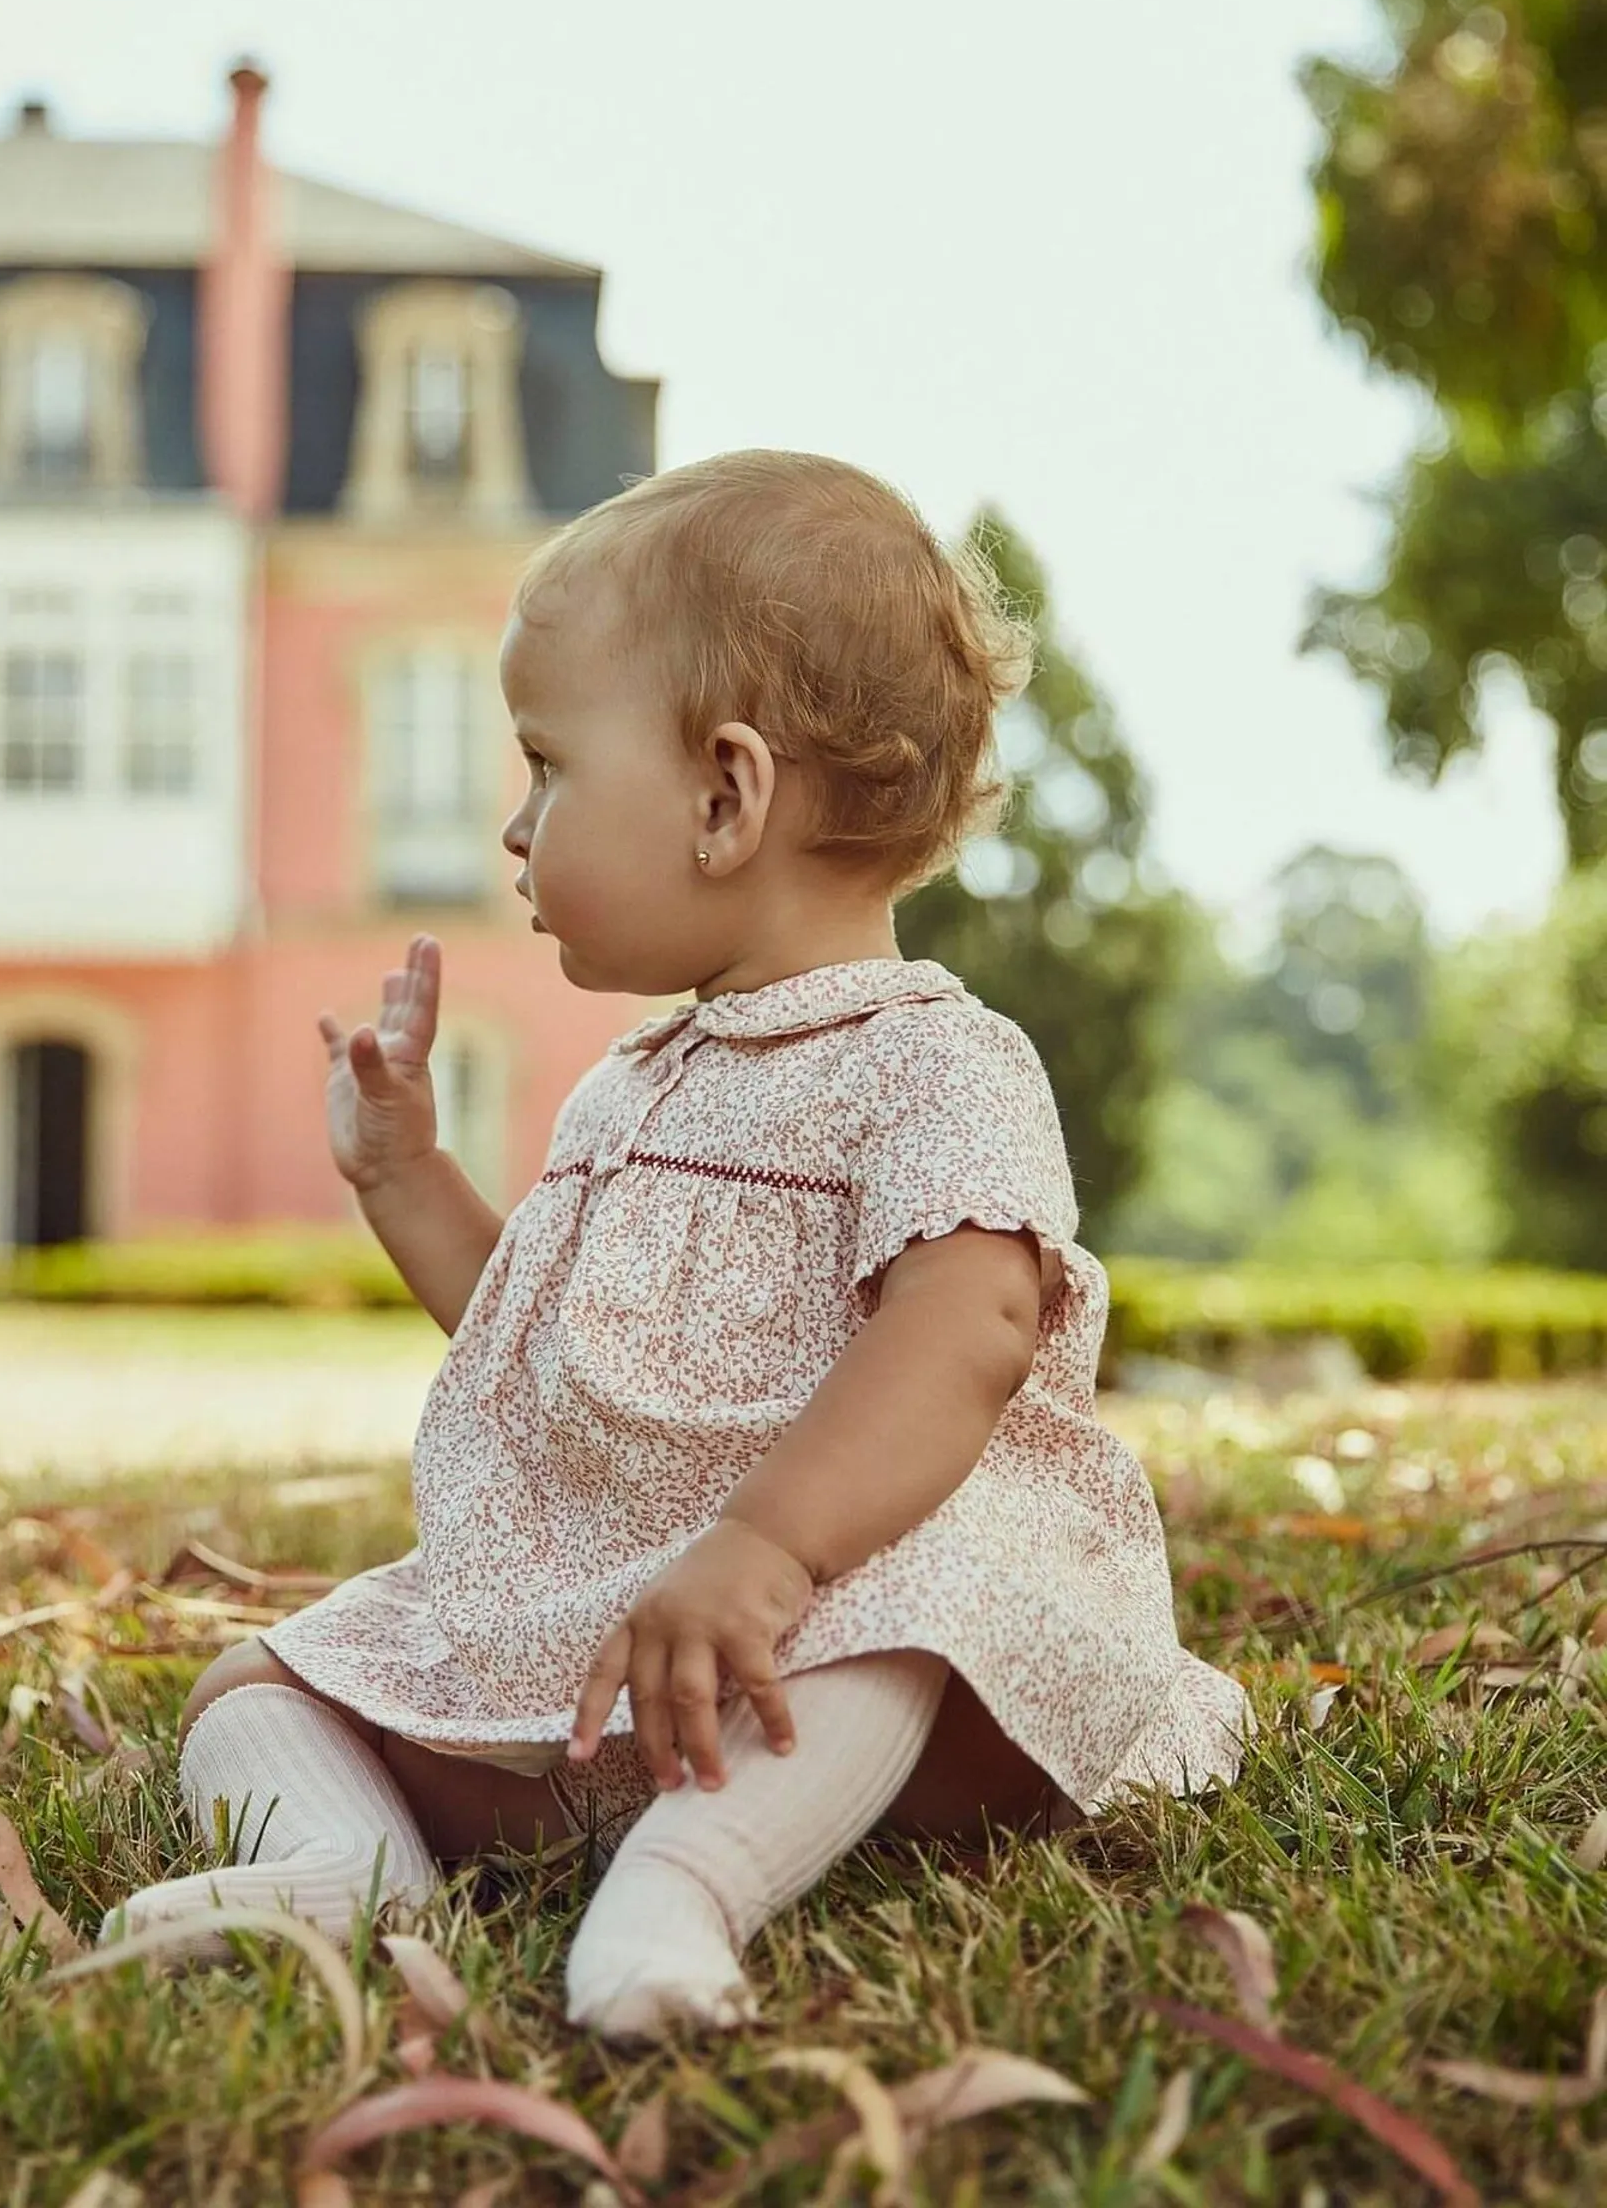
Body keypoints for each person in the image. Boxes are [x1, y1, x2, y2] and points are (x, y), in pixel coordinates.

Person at [101, 448, 1246, 2039]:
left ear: (726, 795)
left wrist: (769, 1554)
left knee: (904, 1617)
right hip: (623, 1623)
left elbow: (968, 1327)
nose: (515, 826)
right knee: (261, 1685)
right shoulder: (632, 1082)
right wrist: (408, 1176)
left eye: (549, 767)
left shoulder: (936, 1062)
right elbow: (544, 1332)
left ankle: (684, 1890)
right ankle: (342, 1867)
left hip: (848, 1628)